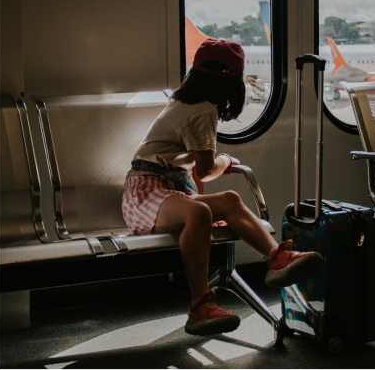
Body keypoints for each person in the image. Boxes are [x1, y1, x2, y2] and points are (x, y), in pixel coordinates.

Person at [122, 38, 323, 337]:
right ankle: (200, 307)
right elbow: (205, 168)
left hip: (163, 189)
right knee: (201, 211)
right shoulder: (203, 110)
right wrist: (225, 160)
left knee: (228, 199)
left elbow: (191, 168)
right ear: (232, 84)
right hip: (145, 194)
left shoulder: (183, 102)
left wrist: (194, 209)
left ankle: (277, 258)